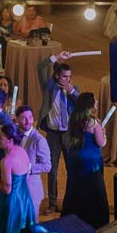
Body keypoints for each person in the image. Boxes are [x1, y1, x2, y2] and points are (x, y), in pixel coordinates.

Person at [61, 93, 110, 230]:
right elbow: (101, 143)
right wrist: (103, 132)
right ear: (90, 105)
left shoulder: (73, 119)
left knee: (75, 189)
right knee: (94, 191)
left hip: (75, 160)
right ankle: (95, 220)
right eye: (94, 99)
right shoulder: (94, 123)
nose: (96, 101)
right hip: (91, 163)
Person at [38, 57, 79, 211]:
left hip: (68, 133)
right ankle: (53, 203)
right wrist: (56, 57)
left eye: (69, 77)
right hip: (53, 135)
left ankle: (70, 201)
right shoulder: (49, 87)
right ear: (57, 76)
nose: (67, 80)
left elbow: (81, 104)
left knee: (72, 168)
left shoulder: (74, 89)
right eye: (64, 77)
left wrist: (72, 92)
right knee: (52, 169)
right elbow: (41, 66)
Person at [15, 105, 53, 216]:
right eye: (23, 118)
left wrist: (27, 166)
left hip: (31, 187)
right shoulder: (14, 133)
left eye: (30, 117)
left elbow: (47, 166)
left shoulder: (39, 140)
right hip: (16, 185)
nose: (28, 121)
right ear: (17, 119)